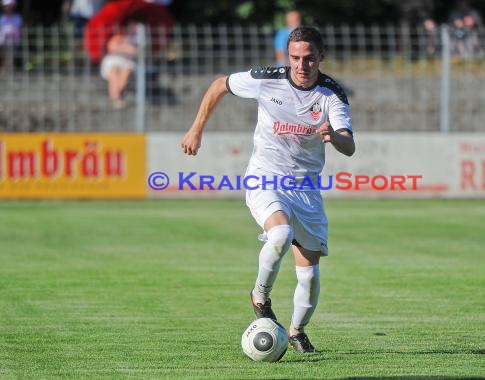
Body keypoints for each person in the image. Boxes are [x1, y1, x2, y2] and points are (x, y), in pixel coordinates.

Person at [181, 26, 355, 353]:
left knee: (310, 275)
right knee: (280, 234)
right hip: (265, 176)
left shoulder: (331, 94)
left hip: (305, 189)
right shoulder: (267, 78)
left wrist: (335, 137)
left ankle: (297, 331)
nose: (301, 65)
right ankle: (260, 295)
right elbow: (219, 85)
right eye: (295, 58)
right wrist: (195, 130)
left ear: (321, 57)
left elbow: (350, 145)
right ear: (287, 56)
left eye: (308, 59)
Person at [100, 25, 138, 109]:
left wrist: (122, 47)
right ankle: (116, 97)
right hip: (114, 59)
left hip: (129, 61)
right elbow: (111, 46)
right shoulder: (119, 35)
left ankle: (116, 95)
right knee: (113, 71)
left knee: (126, 72)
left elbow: (138, 51)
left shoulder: (139, 37)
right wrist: (127, 48)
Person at [0, 0, 22, 70]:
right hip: (3, 42)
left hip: (14, 42)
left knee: (11, 53)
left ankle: (11, 68)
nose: (8, 8)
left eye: (9, 6)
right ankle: (5, 68)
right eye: (6, 6)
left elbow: (17, 31)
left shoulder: (17, 18)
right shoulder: (2, 18)